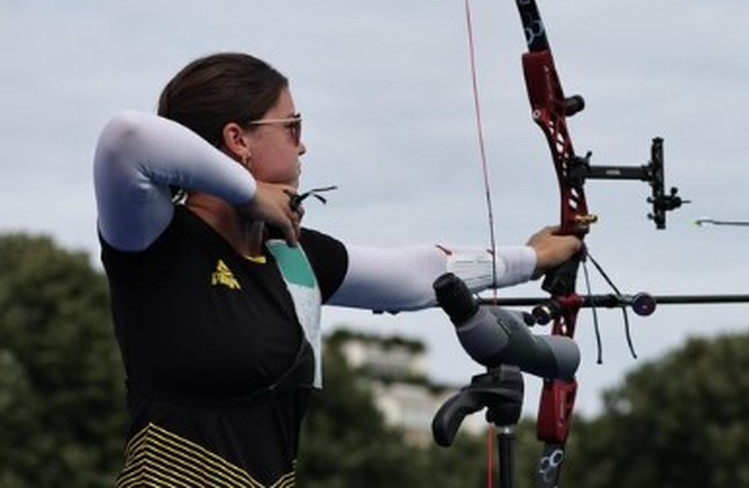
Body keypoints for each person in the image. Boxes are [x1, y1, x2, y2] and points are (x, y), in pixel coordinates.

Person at [93, 52, 582, 487]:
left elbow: (421, 274)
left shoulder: (292, 256)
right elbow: (127, 137)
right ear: (237, 139)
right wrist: (248, 192)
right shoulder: (157, 237)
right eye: (293, 127)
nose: (303, 147)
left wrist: (531, 257)